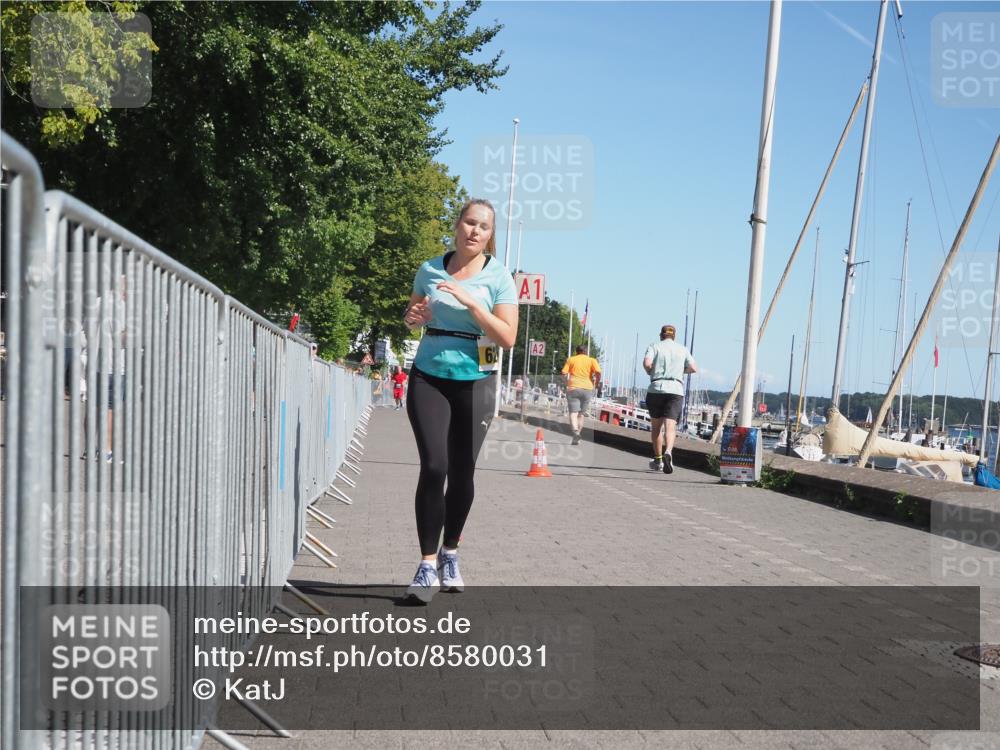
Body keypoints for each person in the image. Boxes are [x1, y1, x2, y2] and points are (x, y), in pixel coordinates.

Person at [401, 198, 518, 603]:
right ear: (457, 224)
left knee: (463, 471)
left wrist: (472, 304)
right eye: (469, 222)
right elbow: (412, 312)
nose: (475, 231)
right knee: (434, 466)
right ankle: (426, 566)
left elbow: (506, 337)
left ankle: (451, 552)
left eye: (483, 227)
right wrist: (414, 317)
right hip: (429, 374)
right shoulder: (430, 268)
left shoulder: (499, 277)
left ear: (490, 235)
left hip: (477, 379)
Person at [643, 324, 696, 474]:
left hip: (656, 387)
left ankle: (658, 459)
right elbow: (693, 367)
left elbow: (647, 363)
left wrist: (650, 371)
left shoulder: (654, 346)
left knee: (656, 427)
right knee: (670, 426)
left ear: (661, 335)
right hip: (675, 389)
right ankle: (669, 453)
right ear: (674, 336)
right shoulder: (683, 349)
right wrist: (681, 371)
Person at [561, 345, 601, 445]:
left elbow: (563, 373)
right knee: (581, 414)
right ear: (586, 352)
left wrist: (567, 383)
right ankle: (577, 434)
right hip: (587, 388)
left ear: (576, 352)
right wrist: (596, 383)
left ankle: (575, 431)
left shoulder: (571, 360)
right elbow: (598, 372)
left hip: (573, 388)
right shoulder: (592, 360)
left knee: (573, 413)